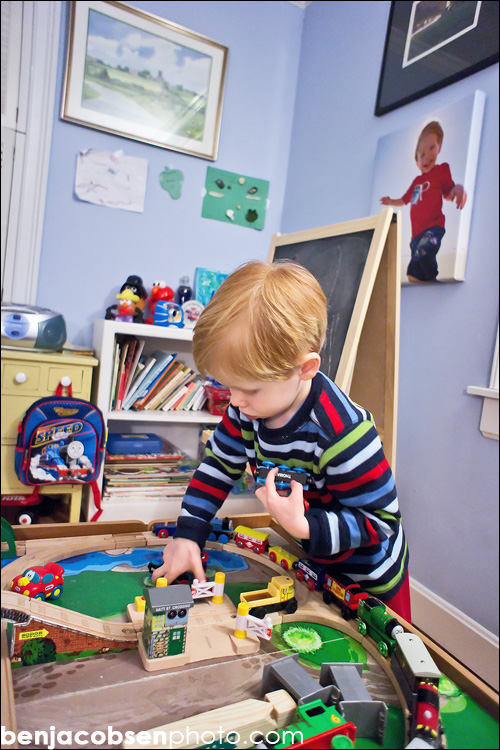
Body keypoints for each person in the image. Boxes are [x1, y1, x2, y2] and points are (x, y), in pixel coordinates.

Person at [152, 260, 411, 621]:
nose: (235, 402)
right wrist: (188, 534)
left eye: (249, 389)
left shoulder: (343, 433)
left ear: (305, 369)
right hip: (311, 562)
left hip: (369, 580)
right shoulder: (246, 409)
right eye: (229, 386)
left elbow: (381, 520)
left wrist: (306, 527)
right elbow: (217, 467)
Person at [381, 120, 466, 283]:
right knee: (413, 272)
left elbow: (448, 192)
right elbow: (404, 200)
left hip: (433, 227)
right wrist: (390, 201)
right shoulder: (416, 182)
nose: (427, 156)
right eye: (422, 155)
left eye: (432, 148)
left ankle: (432, 281)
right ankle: (428, 284)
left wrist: (458, 189)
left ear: (439, 147)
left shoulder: (441, 170)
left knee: (424, 250)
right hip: (416, 234)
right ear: (417, 162)